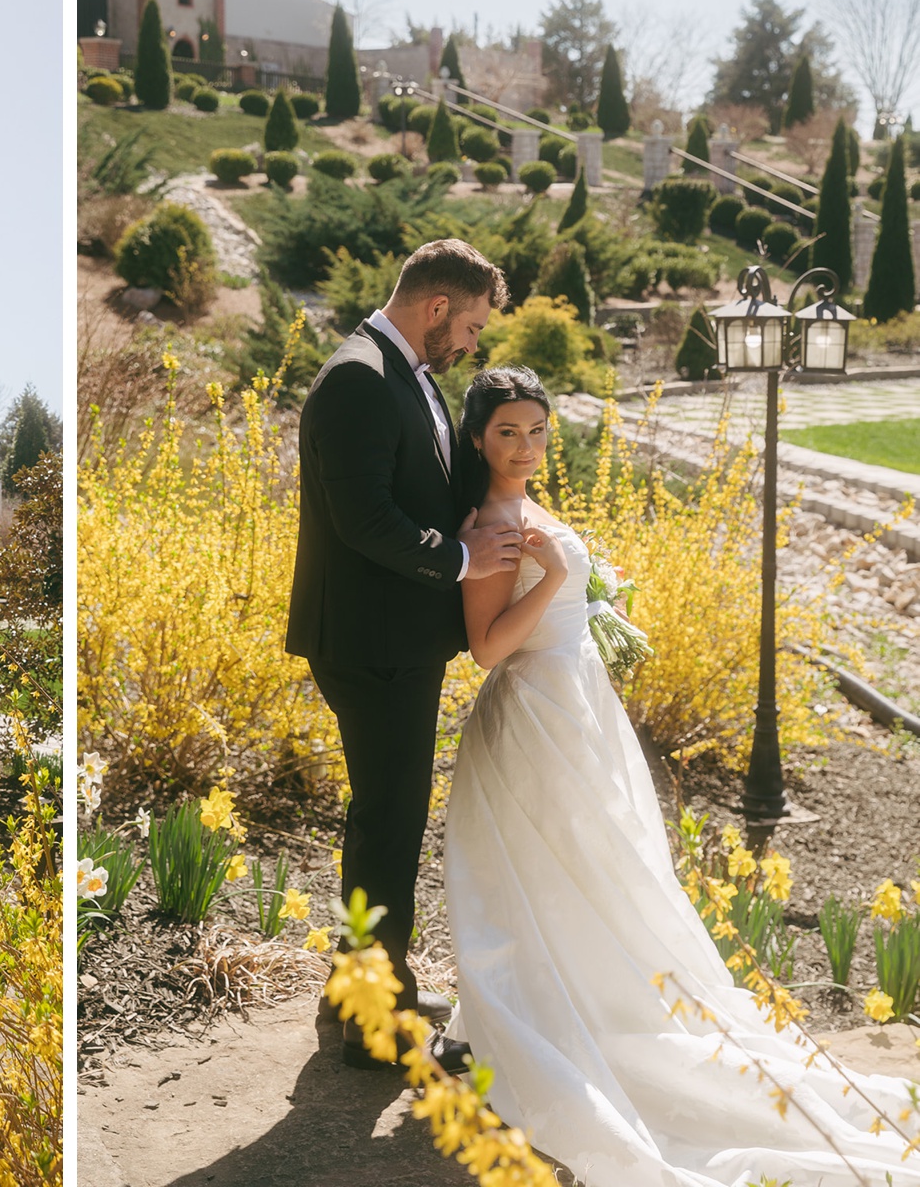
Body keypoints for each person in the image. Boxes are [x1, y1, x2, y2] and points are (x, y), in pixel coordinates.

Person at [445, 365, 920, 1184]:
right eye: (507, 433)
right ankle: (547, 1016)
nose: (525, 448)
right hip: (534, 720)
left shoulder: (529, 508)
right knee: (557, 873)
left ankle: (576, 996)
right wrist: (561, 579)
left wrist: (594, 597)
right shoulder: (490, 520)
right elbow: (487, 647)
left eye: (536, 431)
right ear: (478, 437)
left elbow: (551, 605)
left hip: (577, 707)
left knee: (606, 873)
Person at [286, 238, 523, 1070]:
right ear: (435, 308)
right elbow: (365, 521)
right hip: (370, 641)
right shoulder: (357, 377)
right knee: (389, 821)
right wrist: (463, 563)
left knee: (385, 815)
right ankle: (370, 1016)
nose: (471, 344)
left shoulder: (402, 374)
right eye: (470, 327)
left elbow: (427, 487)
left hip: (391, 637)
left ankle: (359, 985)